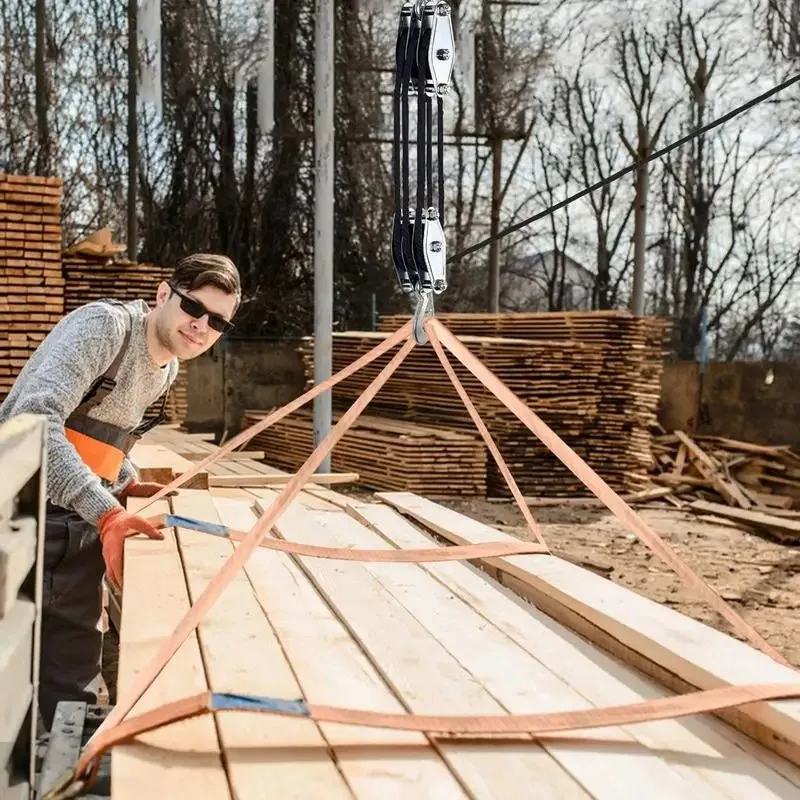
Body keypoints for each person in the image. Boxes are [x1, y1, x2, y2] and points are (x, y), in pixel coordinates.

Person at [0, 252, 241, 729]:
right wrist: (107, 513)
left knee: (71, 688)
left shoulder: (167, 367)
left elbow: (95, 438)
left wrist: (126, 481)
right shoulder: (105, 330)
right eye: (194, 308)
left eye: (217, 322)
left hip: (74, 525)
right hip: (16, 509)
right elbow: (34, 424)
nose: (201, 327)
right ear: (163, 295)